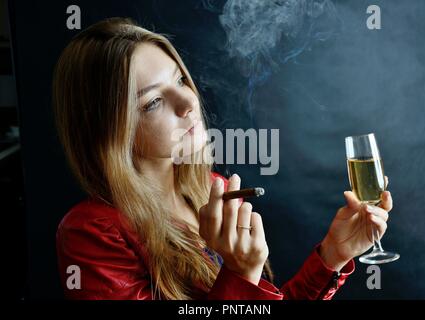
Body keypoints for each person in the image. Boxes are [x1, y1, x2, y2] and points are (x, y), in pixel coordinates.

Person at [53, 17, 392, 300]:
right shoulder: (92, 232)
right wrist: (240, 274)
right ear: (109, 130)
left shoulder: (212, 188)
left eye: (180, 80)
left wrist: (332, 256)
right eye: (153, 102)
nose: (188, 103)